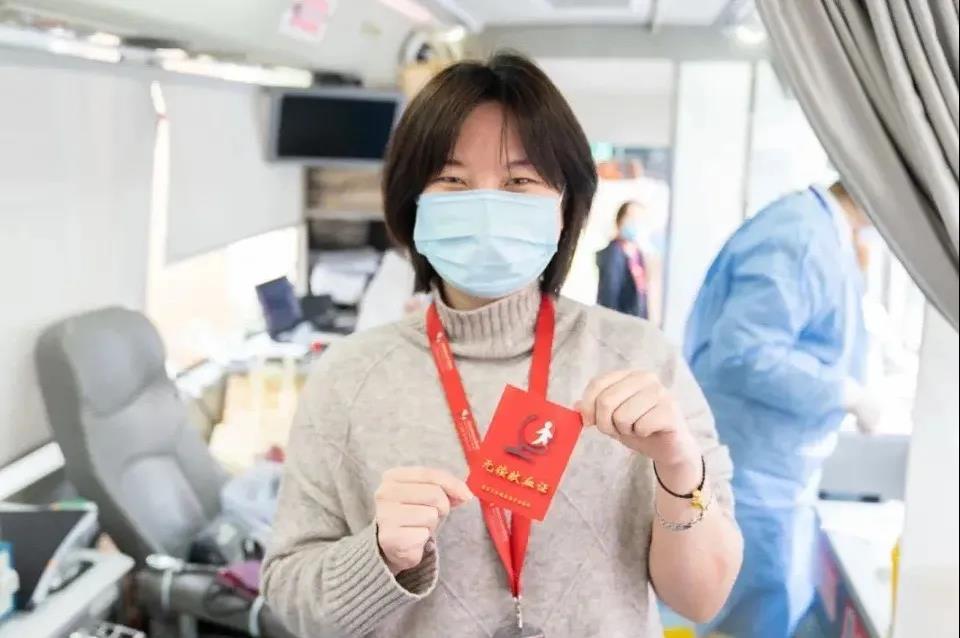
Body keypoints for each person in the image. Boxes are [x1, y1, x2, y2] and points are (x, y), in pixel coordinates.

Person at [262, 53, 742, 638]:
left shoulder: (641, 358)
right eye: (453, 180)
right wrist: (380, 556)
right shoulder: (348, 376)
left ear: (565, 206)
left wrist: (679, 468)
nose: (487, 204)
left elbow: (702, 599)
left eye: (519, 181)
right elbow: (289, 598)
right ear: (413, 202)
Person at [684, 182, 877, 638]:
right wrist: (844, 392)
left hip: (771, 472)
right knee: (745, 618)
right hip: (755, 475)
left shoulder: (815, 230)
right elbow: (745, 354)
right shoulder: (800, 236)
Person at [597, 201, 651, 319]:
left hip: (636, 322)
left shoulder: (638, 255)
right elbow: (609, 297)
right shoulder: (613, 253)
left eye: (639, 219)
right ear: (619, 220)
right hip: (618, 323)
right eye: (631, 218)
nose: (635, 222)